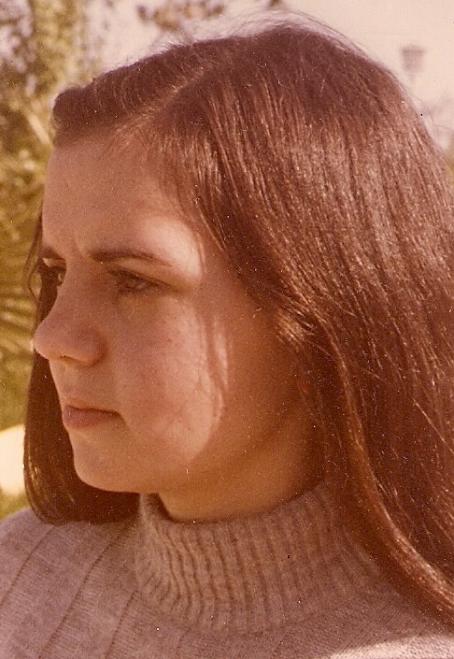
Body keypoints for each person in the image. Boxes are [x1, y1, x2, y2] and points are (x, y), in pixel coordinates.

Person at [1, 10, 453, 658]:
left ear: (318, 320)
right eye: (55, 272)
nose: (51, 337)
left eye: (132, 281)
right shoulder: (19, 580)